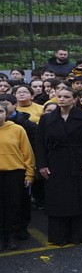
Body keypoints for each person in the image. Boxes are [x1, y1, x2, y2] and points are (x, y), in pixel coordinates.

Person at [35, 88, 82, 245]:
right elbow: (40, 144)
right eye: (59, 96)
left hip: (78, 161)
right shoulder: (47, 118)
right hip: (55, 162)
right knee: (58, 198)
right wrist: (42, 165)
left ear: (74, 99)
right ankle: (60, 236)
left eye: (66, 97)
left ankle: (80, 235)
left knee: (80, 197)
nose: (62, 99)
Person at [0, 104, 35, 250]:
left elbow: (27, 154)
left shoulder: (17, 129)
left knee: (12, 206)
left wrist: (29, 174)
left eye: (0, 111)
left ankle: (11, 236)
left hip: (13, 173)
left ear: (6, 113)